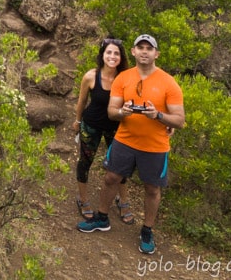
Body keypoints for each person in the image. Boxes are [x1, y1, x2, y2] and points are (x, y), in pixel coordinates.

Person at [77, 34, 186, 255]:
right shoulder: (123, 78)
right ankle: (101, 217)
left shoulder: (168, 82)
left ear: (156, 54)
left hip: (155, 145)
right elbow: (111, 112)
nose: (144, 51)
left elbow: (179, 120)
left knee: (152, 188)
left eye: (149, 48)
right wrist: (121, 112)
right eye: (140, 47)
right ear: (134, 52)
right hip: (124, 140)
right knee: (111, 178)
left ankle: (147, 230)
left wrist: (158, 116)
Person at [73, 37, 132, 223]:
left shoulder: (126, 79)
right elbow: (82, 101)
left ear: (121, 57)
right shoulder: (91, 76)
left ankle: (123, 200)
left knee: (119, 166)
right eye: (109, 52)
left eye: (116, 53)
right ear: (102, 55)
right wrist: (77, 120)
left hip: (117, 128)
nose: (112, 56)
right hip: (91, 125)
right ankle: (83, 199)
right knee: (85, 162)